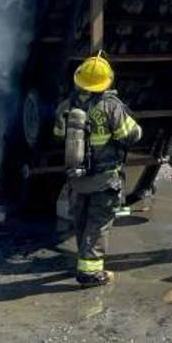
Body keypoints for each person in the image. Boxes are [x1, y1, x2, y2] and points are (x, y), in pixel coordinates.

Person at [54, 52, 142, 288]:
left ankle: (85, 260)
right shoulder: (110, 106)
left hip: (77, 178)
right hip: (104, 179)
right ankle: (90, 273)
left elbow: (58, 135)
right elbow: (130, 135)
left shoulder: (67, 106)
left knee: (82, 222)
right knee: (98, 224)